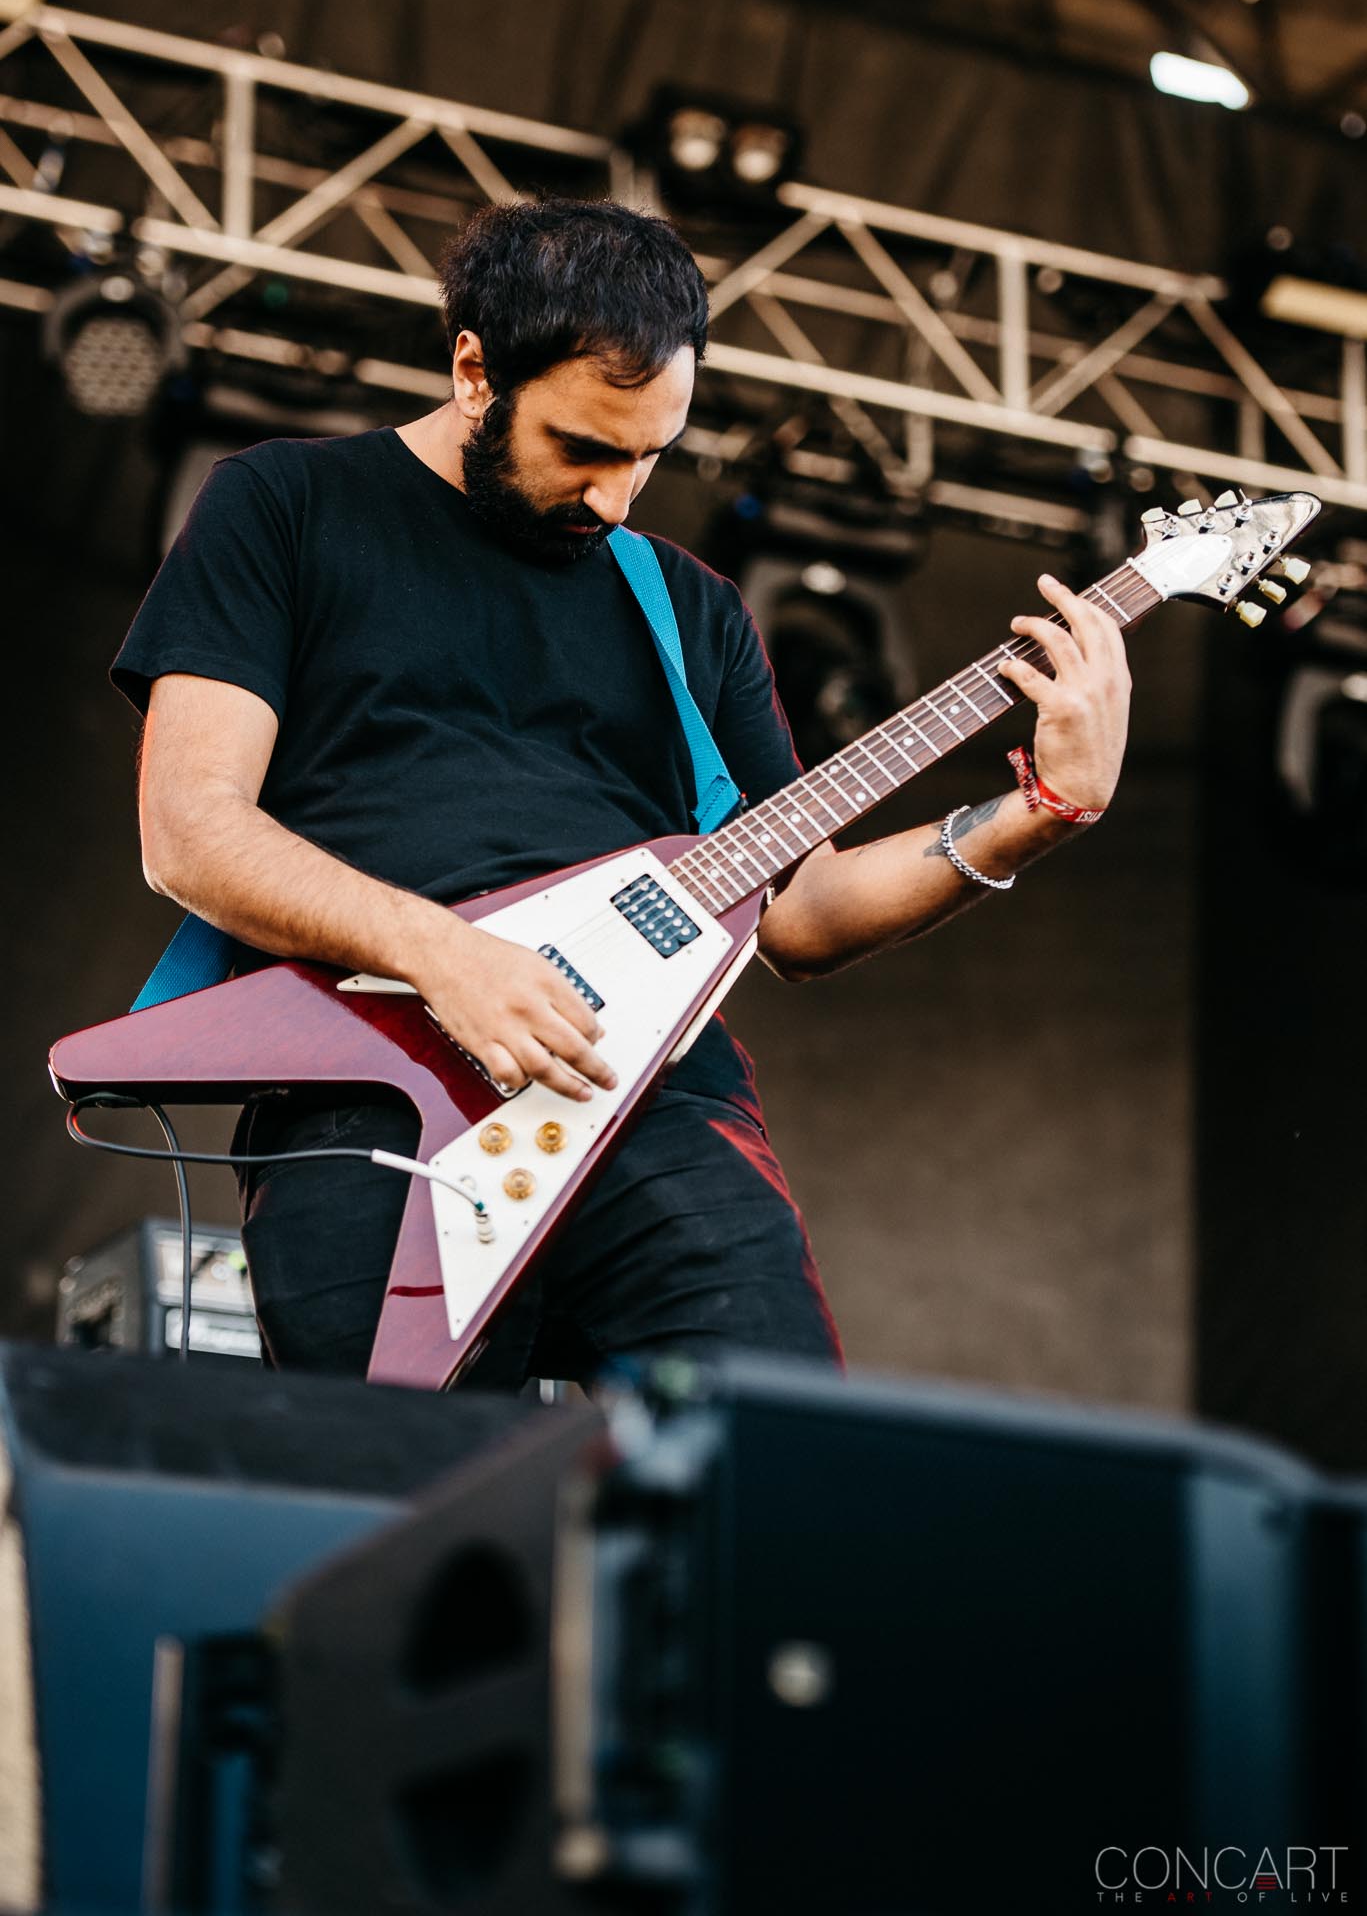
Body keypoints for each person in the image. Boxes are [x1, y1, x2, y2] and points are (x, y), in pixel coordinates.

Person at [112, 198, 1131, 1389]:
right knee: (403, 1518)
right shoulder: (284, 505)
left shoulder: (688, 606)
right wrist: (442, 953)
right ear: (472, 368)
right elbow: (189, 828)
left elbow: (797, 913)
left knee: (769, 1463)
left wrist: (1037, 812)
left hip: (649, 1090)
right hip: (368, 1089)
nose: (614, 498)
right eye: (582, 450)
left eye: (649, 456)